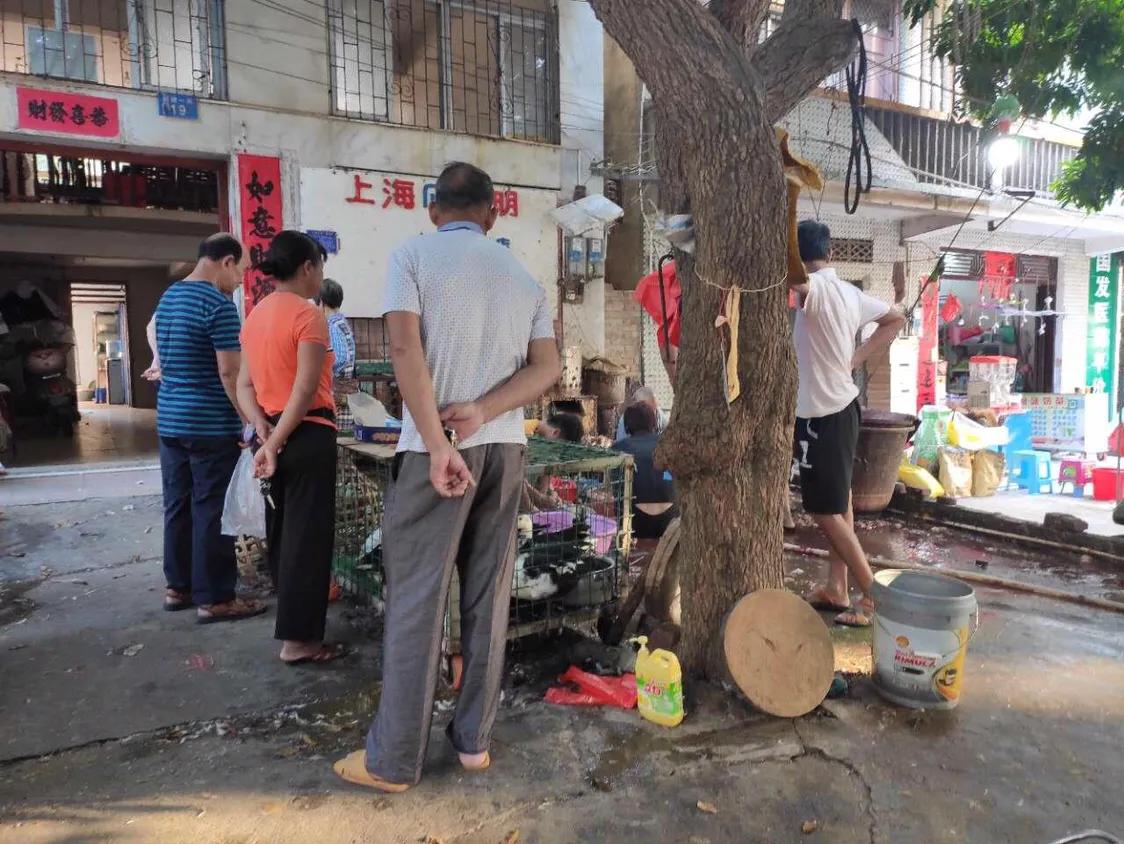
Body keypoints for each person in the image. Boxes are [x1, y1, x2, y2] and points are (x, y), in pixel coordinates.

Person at [334, 162, 560, 792]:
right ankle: (473, 744)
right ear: (493, 213)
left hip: (437, 454)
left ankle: (394, 760)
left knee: (417, 601)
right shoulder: (522, 276)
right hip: (504, 449)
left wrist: (437, 444)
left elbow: (404, 350)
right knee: (488, 598)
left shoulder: (412, 257)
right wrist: (486, 411)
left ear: (434, 210)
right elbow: (547, 369)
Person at [236, 231, 344, 665]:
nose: (321, 275)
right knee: (308, 540)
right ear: (307, 267)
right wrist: (276, 441)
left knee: (284, 537)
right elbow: (303, 391)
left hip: (272, 435)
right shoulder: (308, 316)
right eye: (320, 265)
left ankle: (294, 630)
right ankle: (299, 642)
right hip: (307, 434)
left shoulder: (256, 316)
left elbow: (244, 384)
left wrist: (262, 428)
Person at [790, 220, 905, 627]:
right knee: (840, 503)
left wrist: (791, 270)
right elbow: (896, 317)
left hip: (822, 414)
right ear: (832, 253)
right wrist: (856, 359)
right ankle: (837, 588)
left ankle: (873, 597)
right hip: (842, 408)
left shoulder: (815, 288)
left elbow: (803, 287)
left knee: (822, 511)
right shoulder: (850, 293)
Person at [154, 233, 266, 622]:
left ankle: (178, 587)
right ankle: (215, 597)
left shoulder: (169, 297)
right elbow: (228, 371)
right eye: (242, 272)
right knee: (212, 510)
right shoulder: (217, 305)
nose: (240, 281)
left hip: (169, 421)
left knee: (177, 504)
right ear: (226, 262)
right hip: (208, 424)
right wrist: (250, 419)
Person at [614, 403, 678, 540]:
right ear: (655, 424)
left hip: (633, 521)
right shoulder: (670, 444)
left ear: (626, 426)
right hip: (671, 519)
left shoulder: (618, 448)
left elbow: (614, 486)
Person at [318, 278, 356, 380]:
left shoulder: (333, 325)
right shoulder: (342, 322)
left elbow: (340, 358)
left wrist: (321, 365)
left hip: (338, 384)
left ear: (321, 303)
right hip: (345, 382)